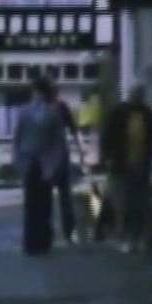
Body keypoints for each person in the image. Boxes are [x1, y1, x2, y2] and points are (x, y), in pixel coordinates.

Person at [13, 76, 71, 256]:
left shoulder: (49, 114)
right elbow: (19, 138)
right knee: (36, 203)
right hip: (35, 162)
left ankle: (38, 241)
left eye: (36, 92)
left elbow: (57, 143)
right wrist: (18, 159)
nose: (35, 96)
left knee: (39, 203)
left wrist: (53, 164)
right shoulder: (31, 113)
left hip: (40, 162)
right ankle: (35, 241)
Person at [101, 85, 152, 254]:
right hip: (121, 165)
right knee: (123, 204)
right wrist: (107, 158)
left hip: (141, 165)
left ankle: (138, 237)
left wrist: (151, 154)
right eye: (135, 95)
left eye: (140, 95)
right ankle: (126, 238)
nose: (138, 98)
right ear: (130, 96)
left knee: (140, 204)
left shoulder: (146, 114)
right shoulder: (119, 113)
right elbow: (108, 136)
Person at [49, 84, 83, 245]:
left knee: (47, 197)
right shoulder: (61, 106)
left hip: (48, 158)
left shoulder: (44, 108)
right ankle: (69, 233)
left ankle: (50, 232)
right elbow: (73, 130)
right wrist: (80, 150)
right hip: (60, 155)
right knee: (65, 197)